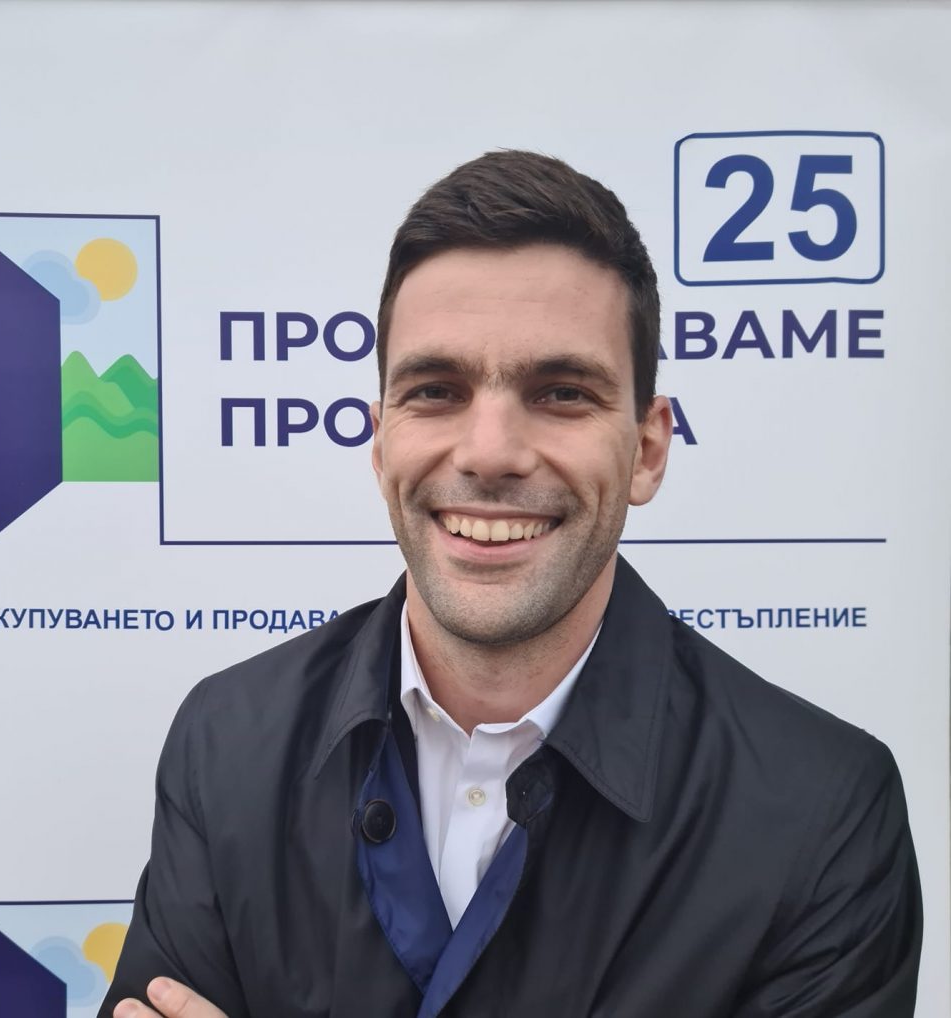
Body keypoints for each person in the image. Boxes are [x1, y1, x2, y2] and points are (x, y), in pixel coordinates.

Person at [101, 151, 922, 1018]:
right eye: (436, 390)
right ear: (379, 442)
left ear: (647, 450)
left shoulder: (823, 813)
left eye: (561, 393)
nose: (489, 453)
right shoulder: (227, 746)